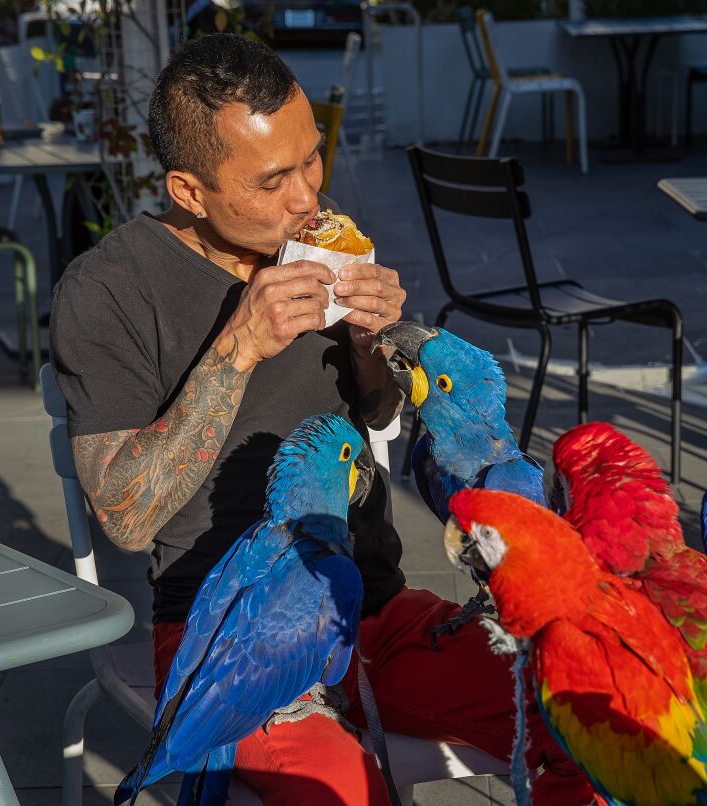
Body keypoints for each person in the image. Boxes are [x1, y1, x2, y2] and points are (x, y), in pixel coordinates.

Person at [50, 33, 596, 805]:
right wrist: (239, 347)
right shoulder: (109, 289)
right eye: (274, 179)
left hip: (375, 607)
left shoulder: (315, 240)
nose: (308, 198)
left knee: (591, 713)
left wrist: (377, 353)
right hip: (231, 638)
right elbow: (125, 514)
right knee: (346, 791)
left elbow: (371, 412)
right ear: (189, 190)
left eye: (312, 159)